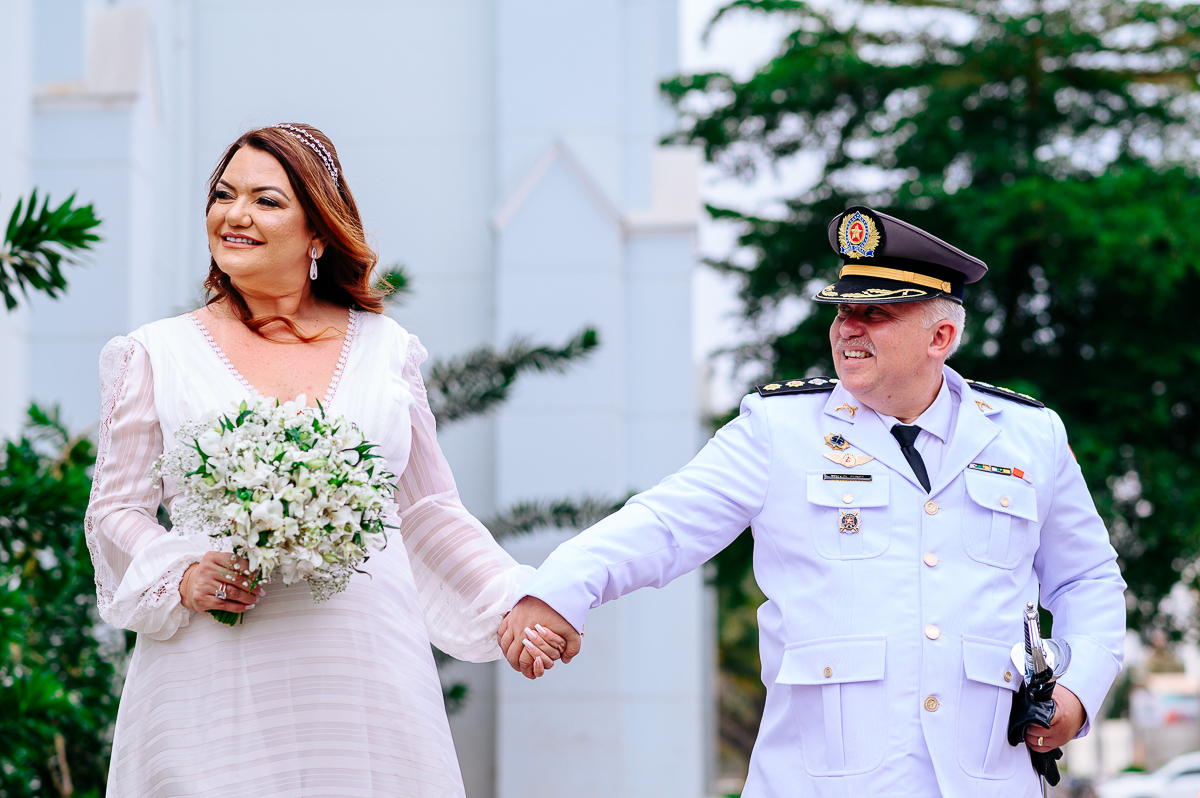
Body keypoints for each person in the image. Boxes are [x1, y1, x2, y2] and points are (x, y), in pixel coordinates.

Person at [499, 206, 1127, 796]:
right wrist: (557, 591)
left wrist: (1076, 691)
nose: (849, 326)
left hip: (986, 777)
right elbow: (665, 522)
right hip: (823, 780)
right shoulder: (779, 429)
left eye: (875, 313)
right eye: (841, 310)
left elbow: (1087, 579)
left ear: (940, 335)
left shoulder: (1028, 435)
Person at [85, 123, 562, 797]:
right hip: (216, 667)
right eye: (223, 195)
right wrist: (179, 573)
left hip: (364, 672)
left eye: (266, 200)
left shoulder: (387, 349)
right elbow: (118, 508)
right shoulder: (155, 353)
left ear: (318, 234)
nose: (235, 214)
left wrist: (512, 598)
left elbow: (427, 508)